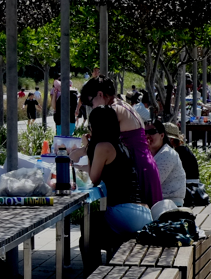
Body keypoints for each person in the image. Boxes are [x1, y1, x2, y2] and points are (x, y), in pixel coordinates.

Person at [80, 75, 163, 205]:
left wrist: (86, 147)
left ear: (100, 94)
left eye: (91, 103)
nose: (92, 107)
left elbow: (98, 147)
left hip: (137, 165)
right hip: (144, 163)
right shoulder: (123, 105)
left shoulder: (113, 111)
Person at [83, 107, 153, 234]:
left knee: (88, 222)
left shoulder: (103, 147)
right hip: (144, 213)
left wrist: (87, 148)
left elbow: (93, 179)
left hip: (126, 213)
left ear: (95, 127)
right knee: (97, 222)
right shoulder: (121, 145)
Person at [147, 121, 186, 206]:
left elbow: (151, 183)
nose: (147, 135)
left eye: (152, 132)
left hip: (170, 204)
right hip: (157, 202)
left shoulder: (167, 153)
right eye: (144, 132)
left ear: (162, 135)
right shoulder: (148, 153)